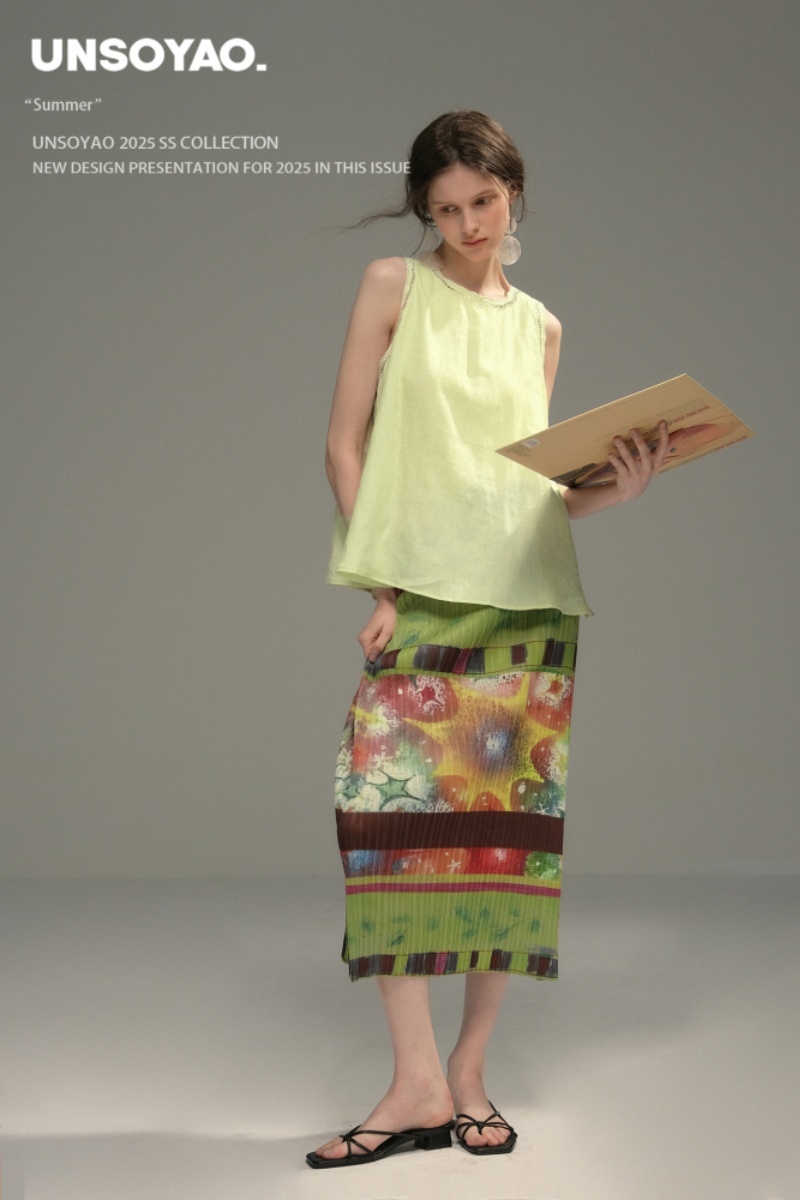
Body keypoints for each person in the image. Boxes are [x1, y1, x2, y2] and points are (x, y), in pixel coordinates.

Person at [307, 111, 671, 1170]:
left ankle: (462, 1076)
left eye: (484, 202)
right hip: (423, 599)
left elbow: (524, 493)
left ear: (515, 194)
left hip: (526, 608)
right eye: (446, 209)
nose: (468, 225)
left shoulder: (541, 327)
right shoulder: (393, 286)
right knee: (385, 824)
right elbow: (343, 444)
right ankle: (414, 1081)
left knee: (502, 847)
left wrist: (616, 490)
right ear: (422, 212)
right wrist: (380, 584)